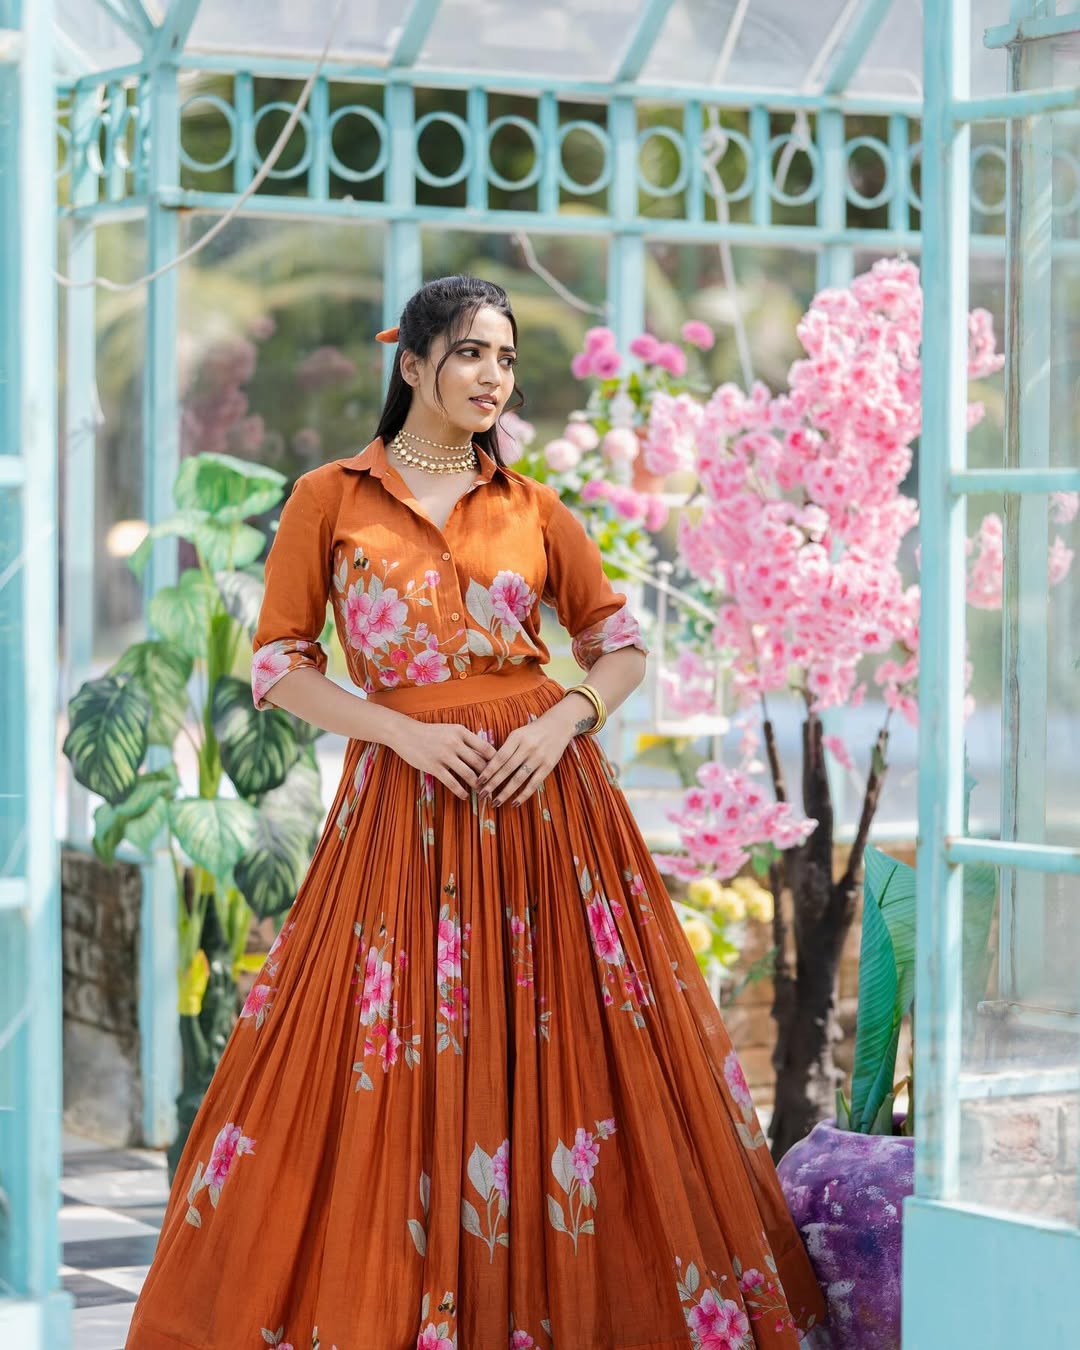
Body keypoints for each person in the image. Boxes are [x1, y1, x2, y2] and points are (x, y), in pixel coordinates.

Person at [126, 275, 826, 1350]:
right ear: (410, 364)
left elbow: (622, 642)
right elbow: (277, 666)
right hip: (405, 816)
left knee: (576, 1058)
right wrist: (397, 731)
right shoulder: (331, 498)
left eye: (504, 357)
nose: (492, 375)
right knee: (392, 1051)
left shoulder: (537, 508)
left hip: (554, 817)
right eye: (469, 353)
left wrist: (565, 722)